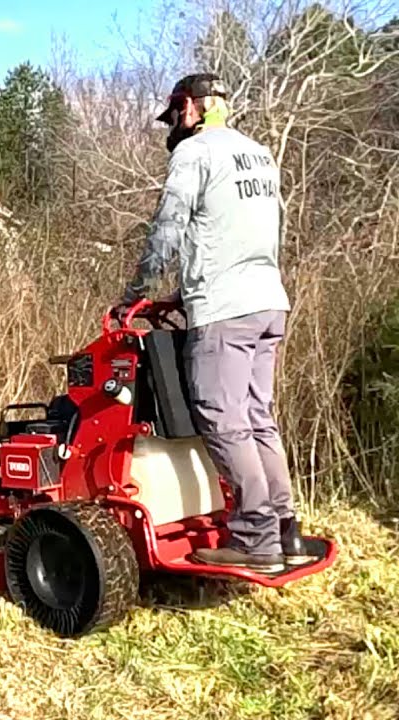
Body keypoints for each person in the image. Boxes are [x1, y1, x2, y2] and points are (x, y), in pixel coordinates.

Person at [121, 72, 315, 574]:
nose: (173, 126)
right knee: (257, 418)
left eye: (174, 115)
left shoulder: (195, 152)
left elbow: (169, 228)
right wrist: (183, 294)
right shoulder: (258, 154)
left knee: (220, 417)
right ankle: (286, 530)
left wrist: (134, 295)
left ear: (189, 108)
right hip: (268, 301)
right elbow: (243, 233)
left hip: (224, 312)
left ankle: (255, 537)